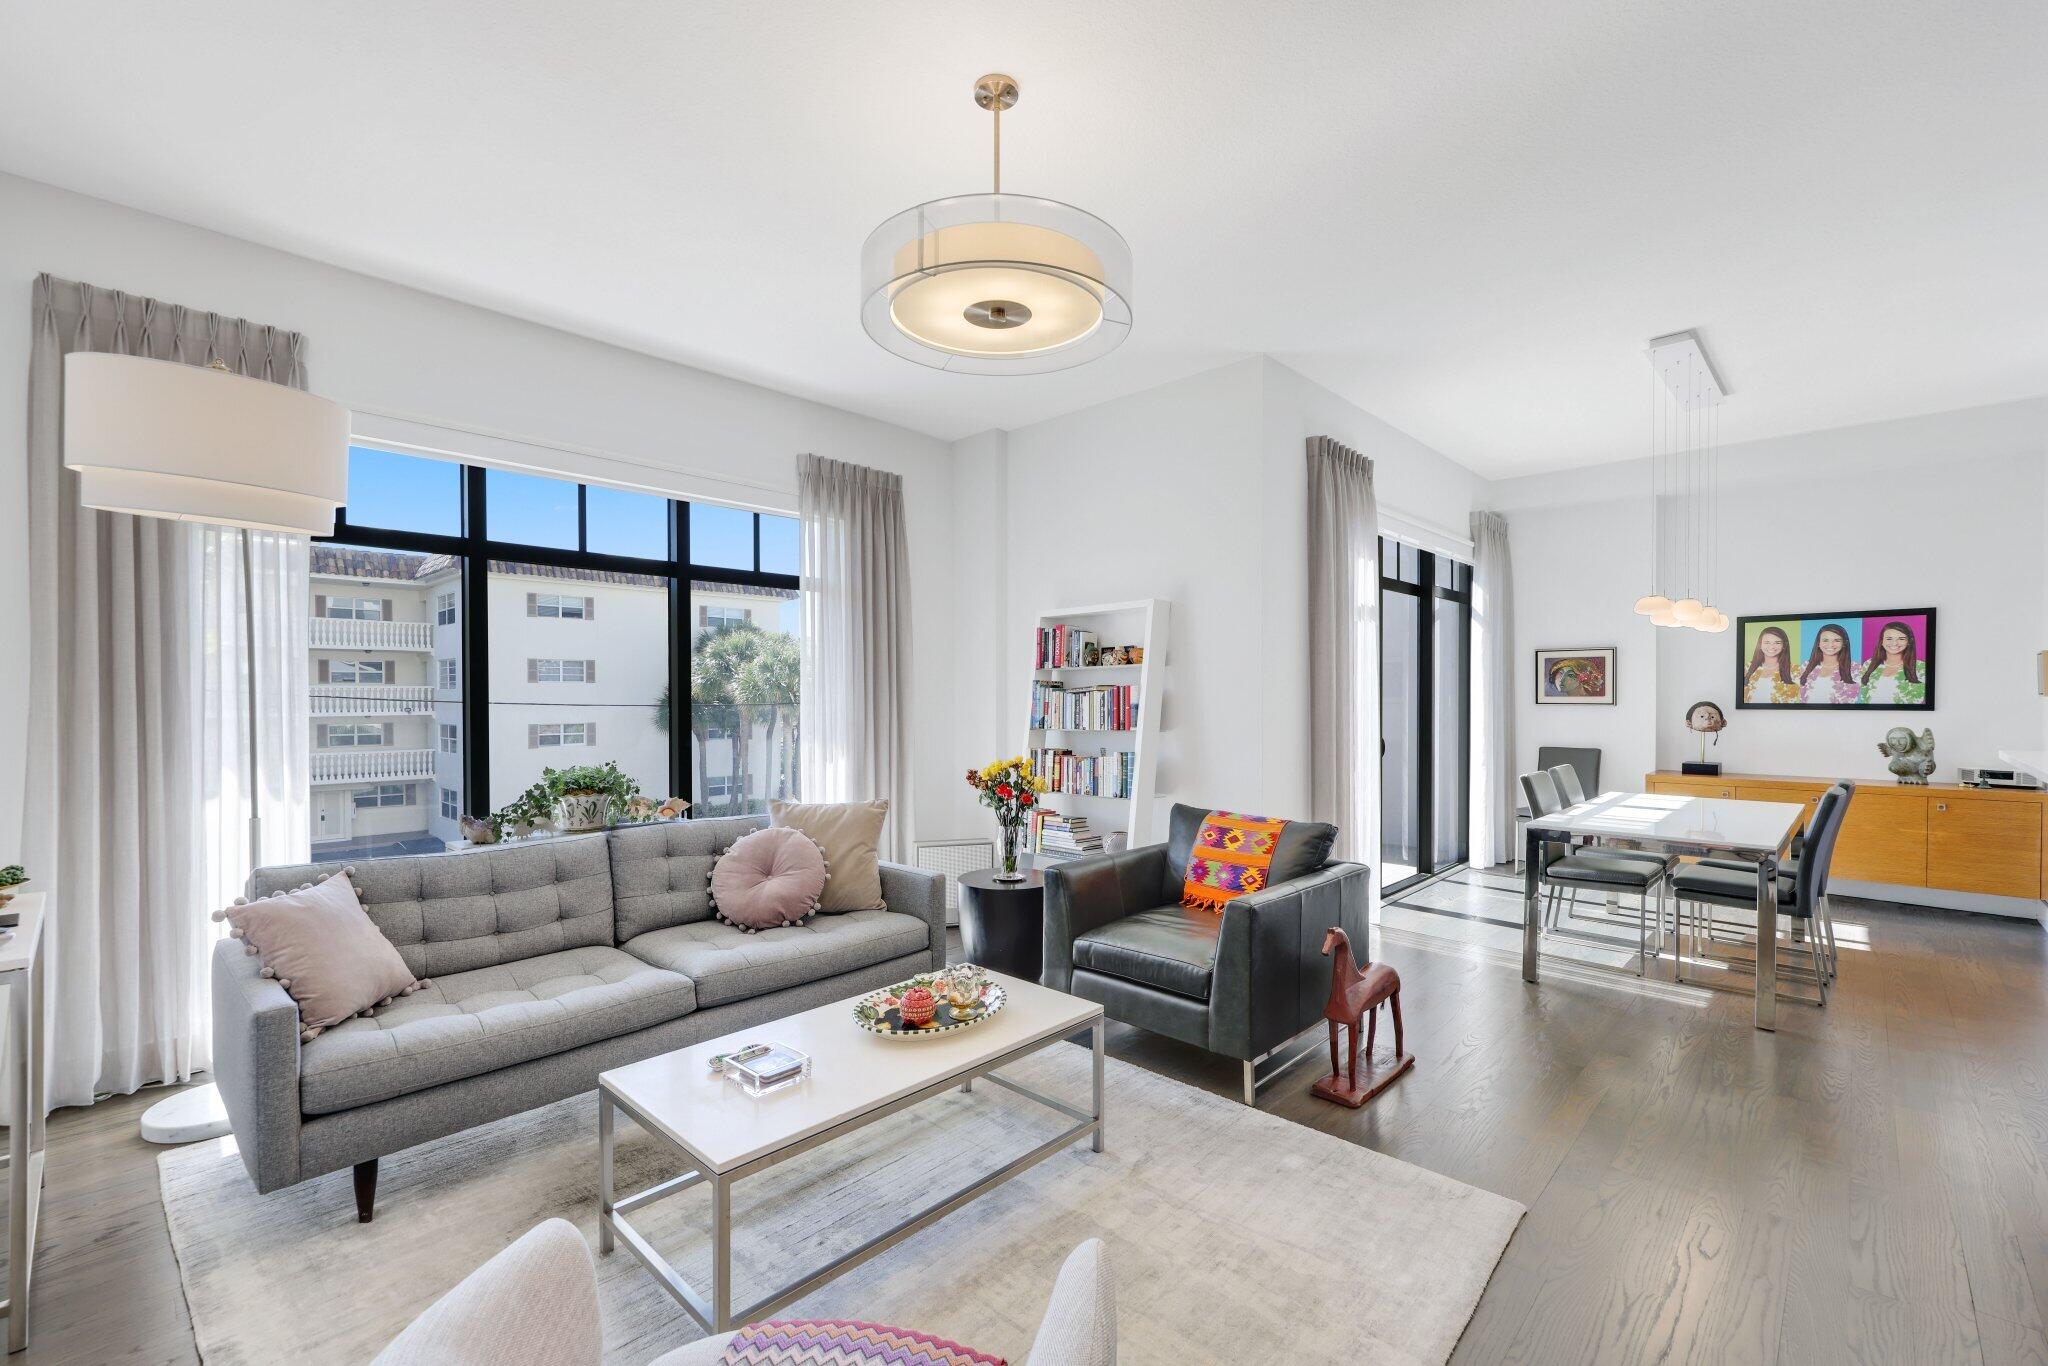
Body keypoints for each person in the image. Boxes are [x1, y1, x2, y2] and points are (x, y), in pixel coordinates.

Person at [1861, 621, 1929, 705]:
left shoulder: (1921, 668)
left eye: (1901, 639)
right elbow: (1863, 697)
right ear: (1881, 641)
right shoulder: (1868, 664)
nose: (1894, 643)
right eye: (1889, 638)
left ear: (1909, 642)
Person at [1798, 623, 1860, 704]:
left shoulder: (1855, 669)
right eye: (1825, 640)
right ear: (1818, 643)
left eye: (1837, 640)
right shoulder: (1806, 666)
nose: (1830, 644)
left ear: (1844, 643)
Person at [1744, 626, 1798, 704]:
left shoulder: (1795, 670)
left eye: (1777, 643)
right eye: (1767, 642)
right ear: (1760, 645)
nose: (1772, 646)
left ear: (1784, 646)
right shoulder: (1747, 668)